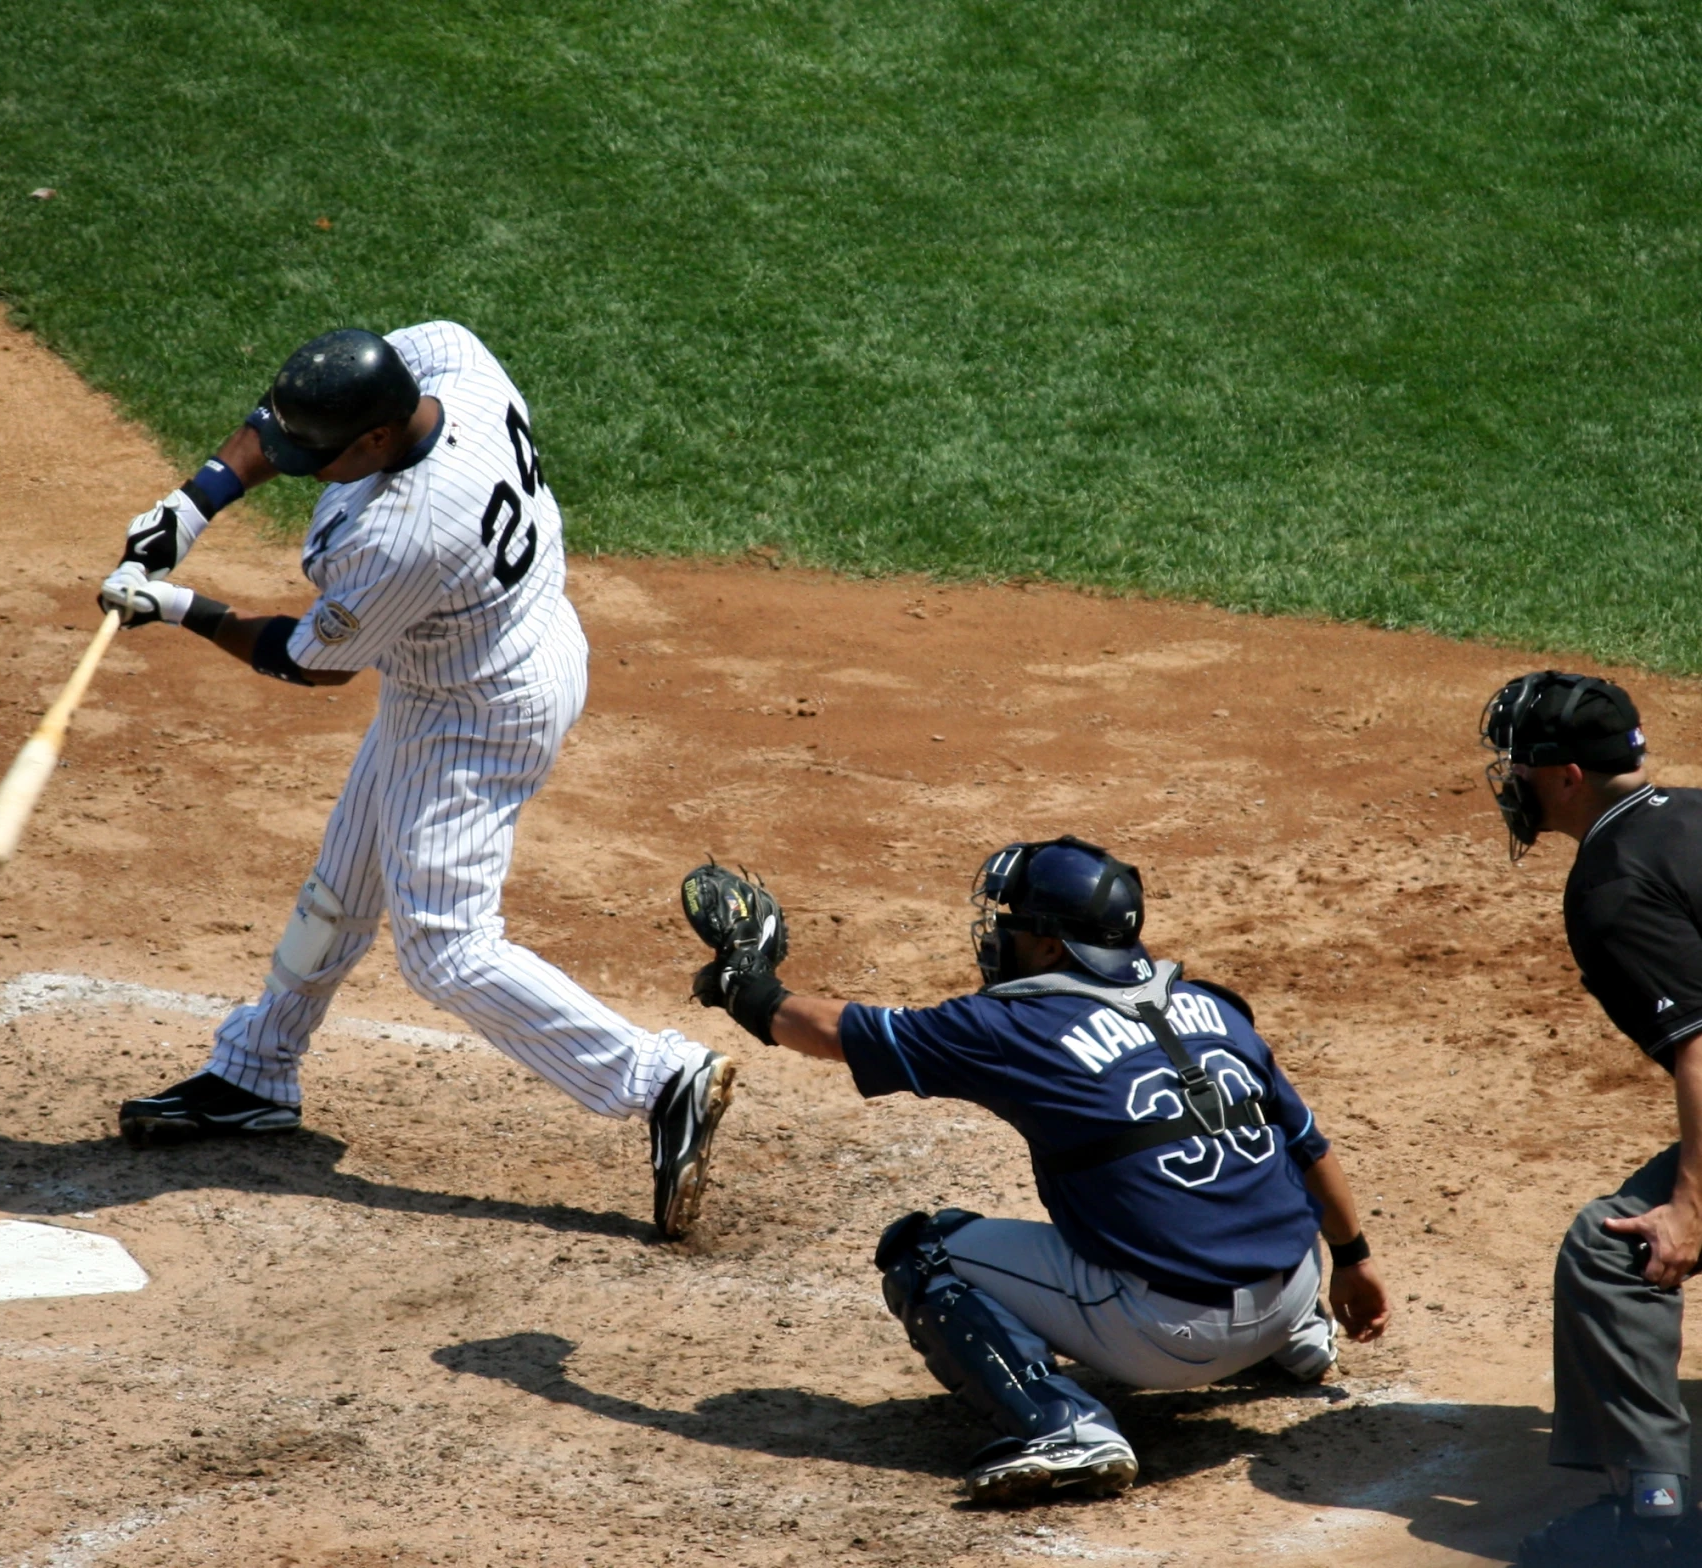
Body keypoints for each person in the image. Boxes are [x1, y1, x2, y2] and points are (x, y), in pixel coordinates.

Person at [93, 322, 735, 1239]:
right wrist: (190, 505)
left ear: (379, 440)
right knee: (346, 874)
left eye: (318, 455)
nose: (296, 463)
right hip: (485, 651)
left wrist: (180, 606)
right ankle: (255, 1071)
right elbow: (288, 417)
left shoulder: (406, 534)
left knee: (446, 949)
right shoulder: (448, 360)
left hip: (479, 709)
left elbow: (310, 664)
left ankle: (660, 1079)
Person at [677, 842, 1389, 1503]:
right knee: (1233, 1152)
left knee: (925, 1252)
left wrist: (745, 984)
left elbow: (833, 1032)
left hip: (1172, 1340)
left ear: (1051, 944)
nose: (997, 937)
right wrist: (1352, 1262)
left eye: (1011, 925)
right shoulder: (1215, 1008)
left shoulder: (1015, 1028)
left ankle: (1064, 1425)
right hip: (1298, 1287)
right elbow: (1310, 1149)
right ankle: (1297, 1344)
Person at [1484, 673, 1702, 1566]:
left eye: (1520, 768)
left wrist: (1689, 1206)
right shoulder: (1691, 812)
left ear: (1566, 778)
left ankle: (1656, 1521)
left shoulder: (1609, 886)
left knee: (1611, 1252)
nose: (1508, 783)